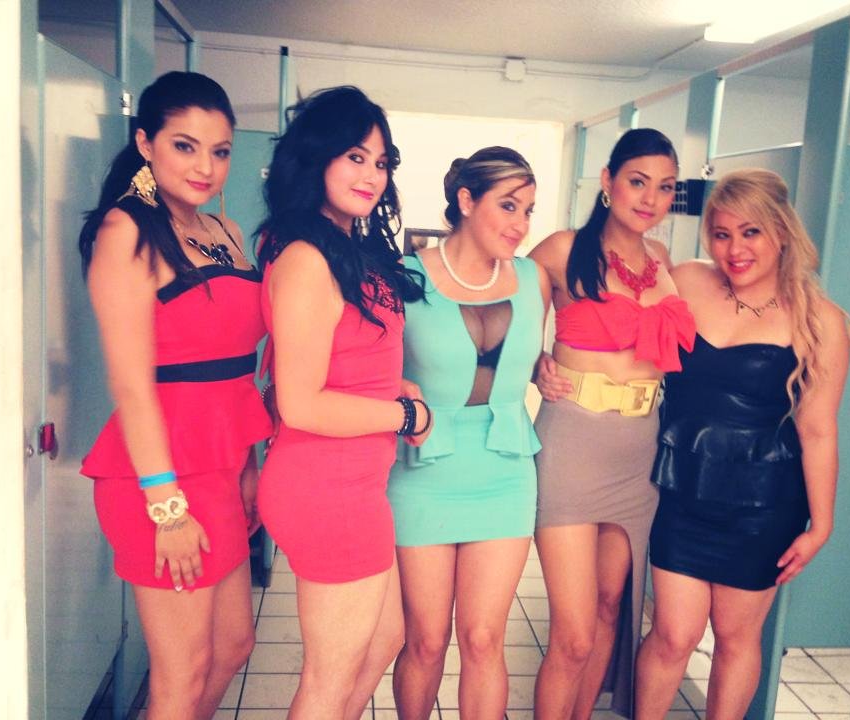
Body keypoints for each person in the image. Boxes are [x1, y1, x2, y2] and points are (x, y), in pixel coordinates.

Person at [79, 72, 271, 719]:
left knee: (234, 646)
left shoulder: (226, 231)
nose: (205, 167)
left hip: (222, 466)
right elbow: (131, 386)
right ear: (145, 143)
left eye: (220, 151)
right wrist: (167, 510)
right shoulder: (127, 230)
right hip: (160, 480)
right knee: (181, 672)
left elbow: (237, 371)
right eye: (185, 146)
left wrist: (248, 463)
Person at [634, 169, 850, 720]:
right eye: (722, 234)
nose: (734, 250)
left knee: (735, 639)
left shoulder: (820, 321)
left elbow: (818, 429)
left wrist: (822, 525)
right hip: (682, 492)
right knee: (672, 634)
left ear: (781, 231)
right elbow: (621, 334)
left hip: (763, 506)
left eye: (750, 232)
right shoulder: (687, 280)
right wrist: (552, 366)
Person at [256, 86, 431, 719]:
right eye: (355, 157)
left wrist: (395, 386)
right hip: (324, 487)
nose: (371, 176)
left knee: (383, 640)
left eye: (380, 162)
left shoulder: (345, 247)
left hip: (356, 483)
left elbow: (347, 357)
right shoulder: (307, 257)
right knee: (328, 679)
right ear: (317, 157)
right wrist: (405, 415)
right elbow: (301, 403)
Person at [531, 128, 695, 719]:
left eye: (665, 187)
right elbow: (500, 323)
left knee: (608, 608)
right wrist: (535, 362)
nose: (651, 198)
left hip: (638, 451)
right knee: (573, 635)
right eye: (638, 181)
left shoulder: (664, 263)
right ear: (607, 181)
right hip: (572, 446)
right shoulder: (561, 249)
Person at [387, 147, 551, 718]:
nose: (520, 224)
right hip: (423, 470)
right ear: (465, 200)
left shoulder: (532, 278)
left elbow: (530, 354)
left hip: (505, 470)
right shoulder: (404, 277)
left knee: (484, 638)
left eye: (528, 210)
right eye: (508, 205)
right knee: (426, 640)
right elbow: (371, 364)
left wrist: (545, 366)